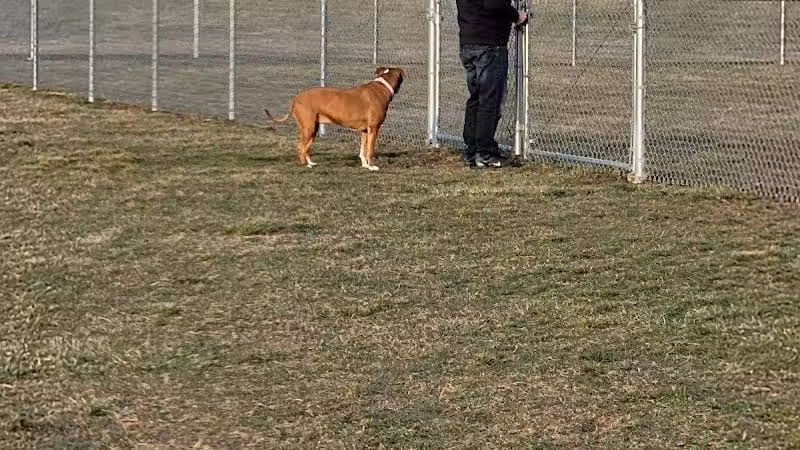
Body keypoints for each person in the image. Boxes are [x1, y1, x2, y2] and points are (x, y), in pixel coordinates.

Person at [455, 0, 528, 168]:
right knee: (490, 101)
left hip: (469, 42)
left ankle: (472, 150)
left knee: (476, 99)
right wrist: (516, 15)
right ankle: (485, 152)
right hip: (489, 44)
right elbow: (493, 4)